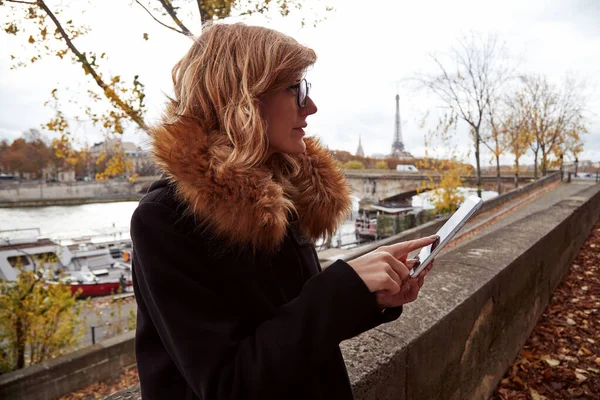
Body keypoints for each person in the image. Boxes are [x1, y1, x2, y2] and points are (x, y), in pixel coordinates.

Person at [131, 22, 437, 400]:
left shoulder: (282, 192)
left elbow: (293, 331)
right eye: (296, 89)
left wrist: (369, 296)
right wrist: (342, 286)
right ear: (244, 98)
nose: (311, 106)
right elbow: (230, 383)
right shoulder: (165, 219)